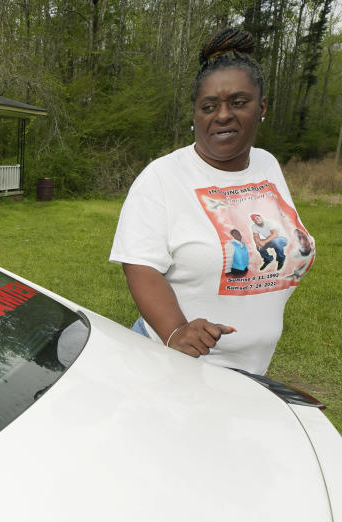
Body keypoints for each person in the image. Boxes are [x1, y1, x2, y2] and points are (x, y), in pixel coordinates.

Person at [110, 27, 315, 375]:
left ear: (261, 107)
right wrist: (175, 331)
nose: (222, 115)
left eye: (238, 102)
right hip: (176, 366)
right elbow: (140, 264)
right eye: (209, 106)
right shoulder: (162, 177)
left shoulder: (267, 165)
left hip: (250, 373)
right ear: (195, 115)